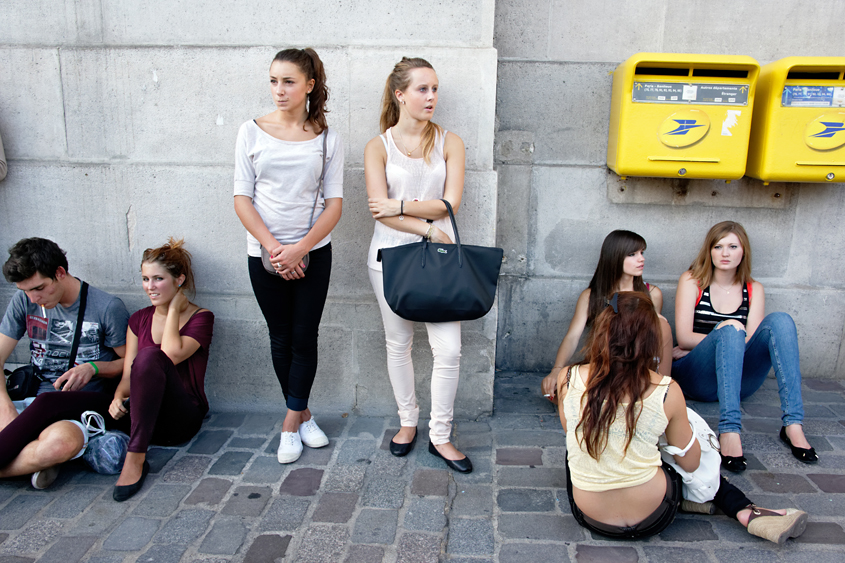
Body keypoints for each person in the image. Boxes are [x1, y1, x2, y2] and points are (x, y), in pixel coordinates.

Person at [559, 291, 807, 543]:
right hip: (653, 513)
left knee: (582, 442)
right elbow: (690, 464)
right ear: (649, 338)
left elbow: (571, 430)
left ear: (602, 331)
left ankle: (709, 501)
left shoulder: (567, 378)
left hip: (591, 515)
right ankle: (742, 509)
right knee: (682, 435)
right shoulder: (666, 389)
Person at [234, 48, 343, 464]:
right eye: (274, 81)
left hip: (313, 253)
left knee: (304, 336)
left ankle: (288, 426)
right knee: (280, 337)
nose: (279, 91)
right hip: (263, 255)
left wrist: (300, 247)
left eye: (289, 82)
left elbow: (334, 204)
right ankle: (304, 415)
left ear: (310, 85)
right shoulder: (251, 130)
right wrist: (275, 248)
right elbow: (242, 197)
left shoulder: (329, 138)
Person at [364, 57, 471, 473]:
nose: (432, 97)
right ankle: (408, 422)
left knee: (449, 350)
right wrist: (427, 228)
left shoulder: (449, 141)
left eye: (435, 89)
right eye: (423, 89)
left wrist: (402, 205)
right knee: (399, 343)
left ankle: (440, 435)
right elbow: (379, 212)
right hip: (389, 258)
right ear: (400, 95)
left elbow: (450, 202)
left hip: (441, 262)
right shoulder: (379, 146)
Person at [672, 221, 816, 472]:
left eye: (732, 246)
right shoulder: (692, 281)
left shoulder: (754, 289)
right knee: (731, 329)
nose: (725, 253)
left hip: (739, 383)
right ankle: (729, 429)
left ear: (743, 251)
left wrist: (728, 337)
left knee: (780, 321)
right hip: (698, 378)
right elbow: (683, 337)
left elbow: (749, 341)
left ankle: (793, 424)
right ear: (709, 251)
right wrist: (724, 336)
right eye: (718, 246)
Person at [0, 237, 129, 489]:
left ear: (60, 273)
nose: (33, 298)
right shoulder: (24, 301)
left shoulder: (106, 307)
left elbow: (131, 363)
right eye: (25, 291)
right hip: (27, 400)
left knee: (61, 444)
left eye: (38, 288)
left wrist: (93, 367)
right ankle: (31, 462)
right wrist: (5, 407)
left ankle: (29, 457)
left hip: (70, 412)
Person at [541, 230, 673, 401]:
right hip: (602, 365)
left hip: (638, 367)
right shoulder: (591, 296)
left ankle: (658, 394)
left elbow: (656, 340)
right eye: (632, 254)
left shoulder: (651, 293)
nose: (641, 259)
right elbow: (573, 337)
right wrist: (556, 369)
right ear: (615, 257)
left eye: (642, 253)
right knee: (557, 388)